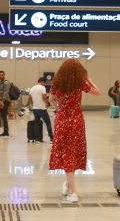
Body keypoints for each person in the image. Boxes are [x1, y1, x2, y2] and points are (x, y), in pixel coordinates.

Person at [48, 59, 100, 203]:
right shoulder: (80, 84)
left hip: (62, 120)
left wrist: (59, 108)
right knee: (73, 152)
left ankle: (67, 184)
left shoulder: (57, 83)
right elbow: (97, 92)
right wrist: (88, 78)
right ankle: (74, 192)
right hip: (76, 120)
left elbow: (50, 99)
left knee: (66, 152)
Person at [29, 77, 53, 143]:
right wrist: (47, 103)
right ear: (42, 82)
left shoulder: (32, 88)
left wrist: (33, 104)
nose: (44, 85)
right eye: (44, 83)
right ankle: (51, 138)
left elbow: (30, 99)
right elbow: (44, 97)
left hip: (35, 109)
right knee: (48, 123)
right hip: (42, 109)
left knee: (37, 123)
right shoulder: (42, 88)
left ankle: (38, 139)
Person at [0, 70, 14, 137]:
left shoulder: (6, 83)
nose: (0, 76)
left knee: (4, 116)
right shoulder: (1, 82)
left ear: (4, 75)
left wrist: (1, 103)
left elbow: (5, 94)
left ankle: (6, 132)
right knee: (3, 116)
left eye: (2, 75)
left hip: (5, 101)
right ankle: (5, 131)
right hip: (2, 101)